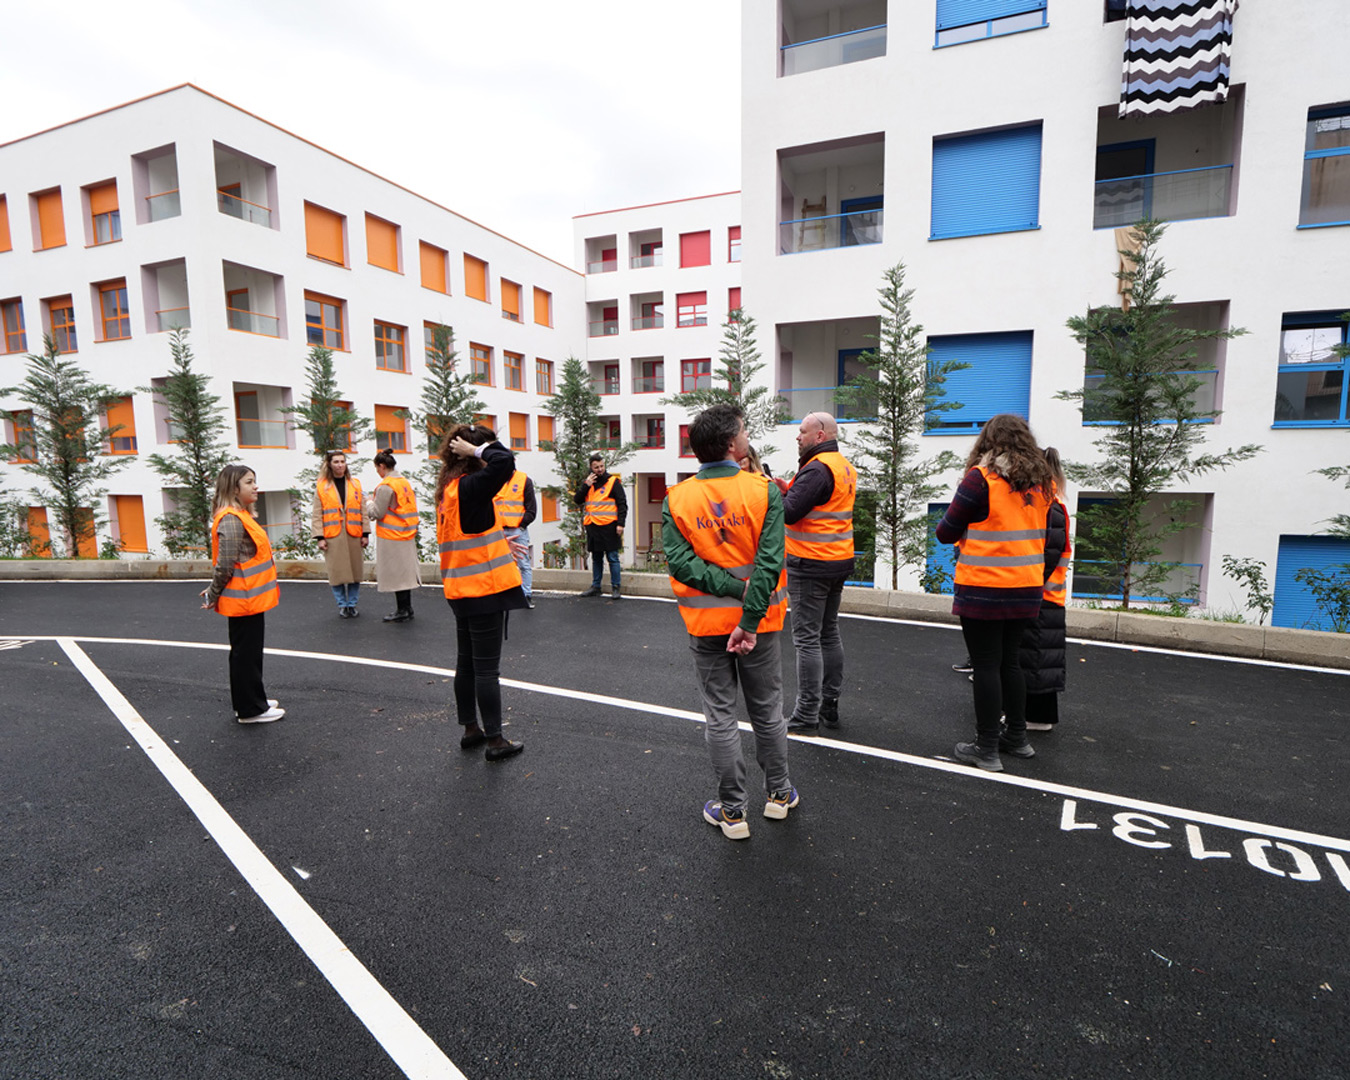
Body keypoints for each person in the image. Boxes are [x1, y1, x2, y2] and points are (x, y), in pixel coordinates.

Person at [663, 403, 796, 840]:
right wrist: (750, 614)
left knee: (720, 716)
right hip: (760, 625)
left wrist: (730, 589)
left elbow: (682, 565)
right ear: (731, 443)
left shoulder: (677, 499)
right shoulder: (763, 491)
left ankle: (733, 812)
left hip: (706, 627)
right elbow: (769, 563)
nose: (746, 438)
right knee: (767, 711)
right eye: (743, 432)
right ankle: (779, 795)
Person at [935, 414, 1054, 772]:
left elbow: (945, 531)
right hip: (1026, 587)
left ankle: (986, 747)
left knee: (986, 664)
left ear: (987, 441)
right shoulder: (1042, 483)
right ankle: (1017, 737)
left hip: (985, 587)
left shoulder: (981, 479)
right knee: (1010, 662)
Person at [436, 424, 529, 761]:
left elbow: (470, 534)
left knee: (467, 664)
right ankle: (495, 740)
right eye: (483, 448)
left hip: (460, 590)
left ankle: (471, 729)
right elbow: (505, 459)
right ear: (468, 453)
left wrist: (501, 543)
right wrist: (476, 449)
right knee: (487, 670)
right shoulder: (472, 485)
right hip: (484, 591)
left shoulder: (450, 490)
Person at [773, 412, 856, 735]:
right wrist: (790, 489)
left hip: (810, 563)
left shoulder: (816, 469)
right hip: (838, 560)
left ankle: (806, 714)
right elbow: (819, 503)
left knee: (807, 639)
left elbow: (789, 512)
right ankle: (828, 706)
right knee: (828, 633)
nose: (798, 437)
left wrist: (777, 495)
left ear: (820, 435)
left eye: (802, 431)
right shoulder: (842, 466)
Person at [200, 465, 283, 724]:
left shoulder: (239, 515)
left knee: (247, 652)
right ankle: (250, 709)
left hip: (249, 598)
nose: (255, 486)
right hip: (244, 599)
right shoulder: (232, 519)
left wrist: (214, 590)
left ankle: (252, 700)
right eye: (249, 482)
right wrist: (213, 593)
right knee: (246, 654)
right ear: (234, 488)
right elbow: (225, 564)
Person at [1020, 448, 1072, 731]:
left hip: (1042, 596)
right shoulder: (1053, 503)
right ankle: (1035, 716)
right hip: (1048, 595)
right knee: (1038, 657)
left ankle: (1037, 718)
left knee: (1037, 657)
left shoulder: (1048, 505)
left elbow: (1048, 554)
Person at [312, 449, 368, 618]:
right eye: (336, 462)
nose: (340, 465)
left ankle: (352, 604)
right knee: (336, 573)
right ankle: (342, 605)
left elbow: (363, 510)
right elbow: (317, 514)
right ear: (329, 464)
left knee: (355, 572)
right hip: (333, 535)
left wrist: (365, 534)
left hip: (354, 534)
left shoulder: (355, 484)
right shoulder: (322, 486)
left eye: (342, 461)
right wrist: (320, 537)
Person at [367, 449, 420, 623]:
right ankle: (407, 608)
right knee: (404, 574)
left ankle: (402, 610)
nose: (377, 472)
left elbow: (377, 512)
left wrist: (368, 502)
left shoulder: (386, 486)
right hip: (406, 533)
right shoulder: (403, 482)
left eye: (377, 468)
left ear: (382, 466)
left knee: (397, 576)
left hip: (391, 535)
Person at [575, 454, 627, 599]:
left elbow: (622, 504)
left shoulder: (613, 482)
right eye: (596, 467)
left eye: (601, 466)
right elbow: (577, 500)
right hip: (593, 525)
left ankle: (616, 587)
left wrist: (621, 524)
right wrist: (586, 485)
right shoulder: (588, 484)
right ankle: (596, 586)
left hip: (609, 526)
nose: (599, 469)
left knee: (613, 558)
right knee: (596, 558)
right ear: (591, 468)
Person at [493, 465, 537, 608]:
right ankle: (501, 595)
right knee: (498, 564)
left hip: (517, 530)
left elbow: (531, 509)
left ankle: (526, 595)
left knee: (523, 563)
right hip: (498, 530)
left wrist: (522, 525)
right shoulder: (495, 479)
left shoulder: (524, 480)